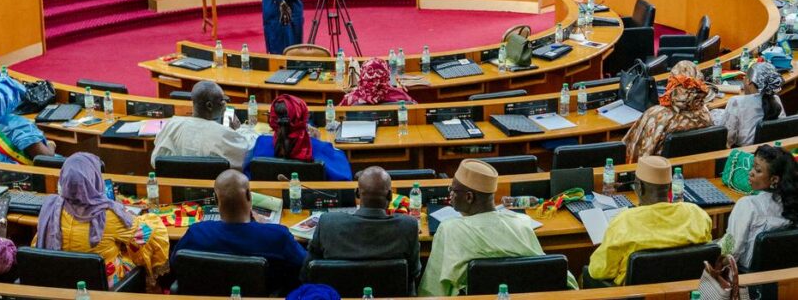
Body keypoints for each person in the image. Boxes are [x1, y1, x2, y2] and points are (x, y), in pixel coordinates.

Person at [419, 160, 577, 295]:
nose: (450, 194)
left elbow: (433, 290)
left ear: (469, 197)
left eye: (453, 190)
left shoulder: (449, 229)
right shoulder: (521, 222)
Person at [35, 153, 169, 287]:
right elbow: (145, 235)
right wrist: (149, 218)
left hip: (61, 283)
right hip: (104, 286)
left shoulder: (51, 208)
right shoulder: (107, 215)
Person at [172, 170, 306, 292]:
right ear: (249, 195)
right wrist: (263, 227)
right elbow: (307, 267)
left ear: (215, 199)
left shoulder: (196, 233)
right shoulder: (278, 236)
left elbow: (175, 264)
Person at [586, 156, 712, 286]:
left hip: (634, 294)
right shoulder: (697, 214)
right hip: (686, 291)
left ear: (639, 187)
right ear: (670, 187)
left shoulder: (624, 222)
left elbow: (598, 271)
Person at [304, 167, 420, 293]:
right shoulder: (408, 226)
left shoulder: (328, 223)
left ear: (357, 193)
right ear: (390, 196)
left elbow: (308, 272)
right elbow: (414, 272)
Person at [720, 145, 798, 269]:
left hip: (745, 279)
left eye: (758, 170)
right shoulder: (792, 204)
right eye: (752, 167)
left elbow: (731, 252)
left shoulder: (748, 205)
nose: (750, 172)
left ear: (774, 179)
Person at [151, 81, 259, 171]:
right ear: (209, 105)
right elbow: (248, 152)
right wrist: (241, 130)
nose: (225, 103)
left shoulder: (172, 125)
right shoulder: (223, 134)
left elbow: (155, 161)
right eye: (222, 100)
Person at [623, 60, 714, 162]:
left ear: (672, 84)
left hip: (659, 172)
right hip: (697, 168)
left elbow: (635, 151)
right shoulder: (705, 113)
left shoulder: (657, 115)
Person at [246, 94, 351, 181]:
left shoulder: (261, 143)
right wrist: (318, 142)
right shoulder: (321, 147)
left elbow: (250, 175)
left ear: (272, 121)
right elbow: (345, 180)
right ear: (304, 120)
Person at [712, 62, 786, 147]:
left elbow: (727, 140)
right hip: (770, 151)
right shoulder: (776, 99)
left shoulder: (736, 102)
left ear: (748, 81)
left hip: (745, 153)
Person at [341, 57, 414, 106]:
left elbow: (337, 116)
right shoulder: (400, 95)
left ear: (363, 76)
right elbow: (415, 111)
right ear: (386, 76)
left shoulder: (350, 98)